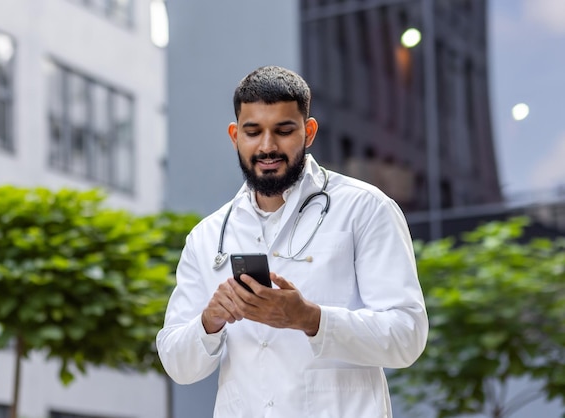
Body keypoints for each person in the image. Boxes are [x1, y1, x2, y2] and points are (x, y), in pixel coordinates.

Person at [156, 65, 428, 417]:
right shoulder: (208, 236)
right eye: (253, 132)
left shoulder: (365, 208)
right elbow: (177, 364)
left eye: (283, 131)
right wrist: (209, 321)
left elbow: (407, 337)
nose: (267, 146)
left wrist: (310, 318)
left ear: (309, 131)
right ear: (235, 135)